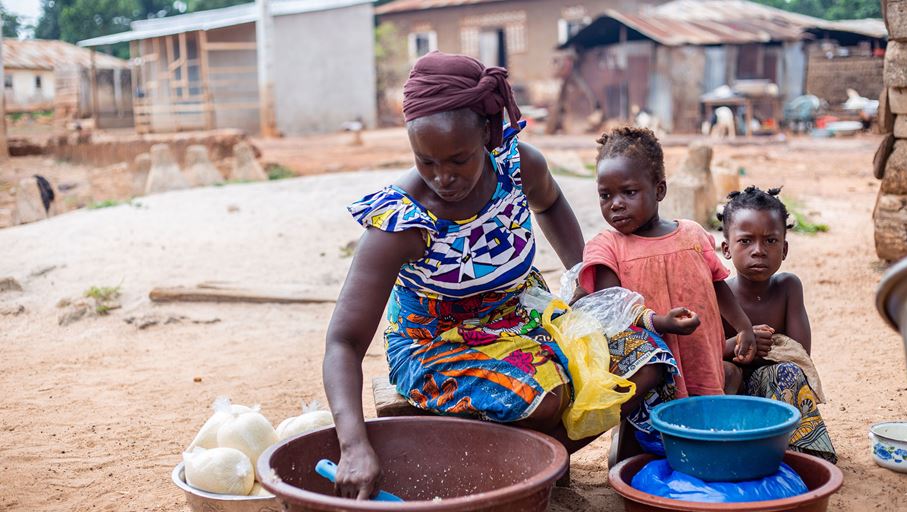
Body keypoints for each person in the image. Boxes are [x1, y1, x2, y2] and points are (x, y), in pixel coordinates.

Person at [322, 51, 680, 500]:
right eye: (426, 161)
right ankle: (513, 480)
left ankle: (534, 470)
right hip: (438, 342)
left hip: (523, 314)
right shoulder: (402, 222)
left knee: (647, 359)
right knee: (543, 396)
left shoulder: (517, 165)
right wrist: (353, 447)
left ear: (489, 135)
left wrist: (582, 283)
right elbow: (344, 342)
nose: (442, 177)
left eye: (458, 160)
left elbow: (549, 203)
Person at [576, 127, 758, 455]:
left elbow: (718, 286)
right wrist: (659, 323)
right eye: (606, 195)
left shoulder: (691, 234)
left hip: (699, 355)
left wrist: (743, 326)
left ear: (659, 189)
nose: (615, 204)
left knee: (704, 425)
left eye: (628, 192)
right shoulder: (607, 247)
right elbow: (613, 308)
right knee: (644, 426)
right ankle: (626, 454)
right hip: (648, 365)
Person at [719, 186, 837, 463]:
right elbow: (702, 354)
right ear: (727, 248)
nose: (758, 251)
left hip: (774, 394)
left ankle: (797, 455)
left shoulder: (788, 288)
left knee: (788, 373)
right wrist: (739, 343)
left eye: (770, 241)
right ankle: (725, 449)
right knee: (725, 372)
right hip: (729, 395)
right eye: (746, 241)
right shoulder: (719, 293)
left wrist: (767, 347)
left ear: (784, 249)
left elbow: (799, 354)